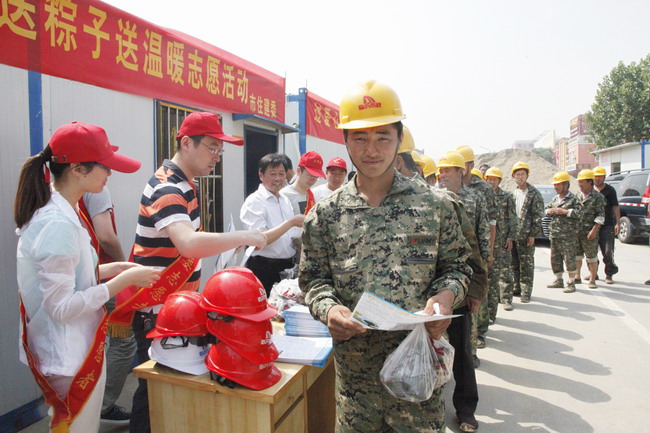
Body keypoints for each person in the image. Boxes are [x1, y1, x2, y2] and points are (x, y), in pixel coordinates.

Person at [300, 80, 472, 433]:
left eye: (383, 137)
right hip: (355, 384)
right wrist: (330, 309)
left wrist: (445, 297)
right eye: (360, 138)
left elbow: (456, 268)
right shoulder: (326, 214)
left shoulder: (434, 206)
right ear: (346, 141)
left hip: (418, 380)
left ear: (399, 139)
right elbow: (314, 279)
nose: (372, 150)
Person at [123, 111, 268, 433]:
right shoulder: (168, 188)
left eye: (220, 150)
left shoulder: (184, 184)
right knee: (155, 391)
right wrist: (245, 236)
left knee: (166, 391)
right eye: (212, 148)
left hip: (175, 307)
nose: (217, 157)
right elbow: (188, 243)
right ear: (186, 143)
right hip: (158, 310)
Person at [14, 121, 161, 433]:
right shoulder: (58, 224)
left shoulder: (66, 212)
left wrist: (120, 269)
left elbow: (75, 275)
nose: (109, 175)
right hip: (67, 356)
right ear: (78, 169)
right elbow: (61, 307)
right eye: (104, 167)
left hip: (75, 347)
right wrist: (121, 282)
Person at [437, 150, 488, 432]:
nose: (443, 175)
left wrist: (477, 288)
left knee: (462, 353)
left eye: (448, 170)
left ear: (461, 172)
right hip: (435, 288)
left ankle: (466, 410)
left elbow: (478, 245)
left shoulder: (475, 199)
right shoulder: (431, 198)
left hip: (462, 285)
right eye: (440, 171)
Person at [79, 187, 136, 424]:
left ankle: (89, 405)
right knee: (124, 341)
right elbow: (106, 235)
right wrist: (124, 265)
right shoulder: (95, 189)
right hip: (102, 277)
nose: (108, 174)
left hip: (85, 277)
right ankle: (101, 406)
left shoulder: (50, 188)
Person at [241, 153, 306, 295]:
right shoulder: (255, 201)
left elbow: (290, 234)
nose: (277, 179)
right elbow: (258, 240)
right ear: (261, 175)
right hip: (264, 268)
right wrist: (291, 222)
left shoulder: (284, 200)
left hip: (287, 267)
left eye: (281, 174)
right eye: (272, 174)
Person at [483, 167, 517, 315]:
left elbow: (513, 218)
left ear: (499, 181)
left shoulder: (507, 196)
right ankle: (493, 301)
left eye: (494, 179)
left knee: (505, 270)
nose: (491, 182)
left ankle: (507, 298)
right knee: (491, 273)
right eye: (489, 179)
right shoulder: (483, 195)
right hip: (489, 240)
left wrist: (511, 237)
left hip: (503, 239)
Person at [510, 161, 544, 303]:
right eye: (518, 174)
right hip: (514, 235)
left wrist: (532, 235)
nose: (520, 177)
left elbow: (538, 215)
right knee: (514, 263)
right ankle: (516, 288)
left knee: (527, 264)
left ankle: (526, 291)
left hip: (526, 235)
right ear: (513, 176)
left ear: (527, 176)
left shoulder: (534, 194)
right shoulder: (513, 193)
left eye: (523, 174)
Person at [545, 172, 580, 293]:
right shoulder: (555, 199)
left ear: (566, 185)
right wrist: (549, 211)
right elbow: (546, 209)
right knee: (555, 258)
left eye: (558, 185)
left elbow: (581, 214)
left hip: (568, 236)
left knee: (569, 259)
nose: (556, 187)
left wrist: (564, 212)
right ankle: (558, 279)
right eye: (555, 185)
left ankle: (571, 282)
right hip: (555, 234)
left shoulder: (574, 199)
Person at [574, 169, 606, 288]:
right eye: (579, 182)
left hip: (590, 232)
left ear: (590, 183)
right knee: (577, 256)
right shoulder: (577, 196)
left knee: (591, 257)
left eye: (582, 182)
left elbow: (601, 215)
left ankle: (592, 279)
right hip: (577, 232)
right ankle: (577, 276)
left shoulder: (598, 197)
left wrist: (594, 230)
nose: (580, 184)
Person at [593, 166, 620, 284]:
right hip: (592, 226)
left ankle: (609, 274)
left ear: (604, 177)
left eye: (599, 176)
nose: (597, 179)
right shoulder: (590, 190)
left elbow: (615, 206)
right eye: (595, 176)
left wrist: (618, 223)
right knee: (591, 251)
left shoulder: (610, 190)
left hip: (607, 225)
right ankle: (593, 273)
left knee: (608, 252)